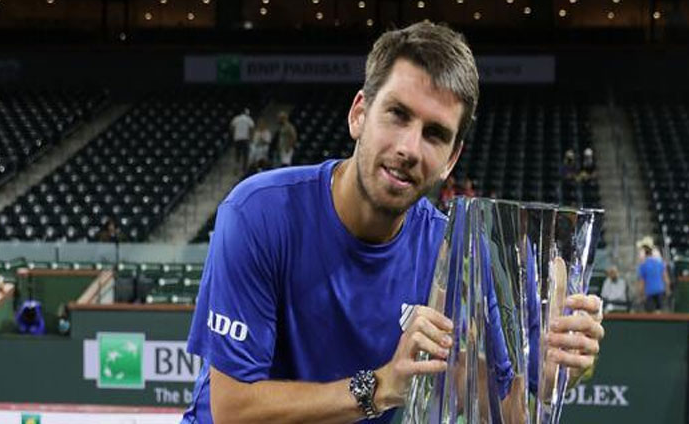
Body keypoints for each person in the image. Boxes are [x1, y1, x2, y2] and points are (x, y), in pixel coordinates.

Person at [182, 21, 604, 424]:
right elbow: (233, 410)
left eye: (434, 134)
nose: (409, 148)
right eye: (397, 114)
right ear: (359, 114)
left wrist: (549, 378)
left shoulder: (452, 254)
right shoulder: (259, 212)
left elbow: (499, 412)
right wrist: (381, 387)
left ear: (451, 159)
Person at [637, 244, 669, 312]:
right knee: (660, 313)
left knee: (650, 315)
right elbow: (666, 279)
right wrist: (668, 291)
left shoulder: (643, 266)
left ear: (645, 254)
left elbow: (642, 283)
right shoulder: (660, 263)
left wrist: (640, 295)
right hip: (660, 291)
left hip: (649, 293)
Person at [230, 108, 255, 173]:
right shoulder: (248, 119)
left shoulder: (236, 118)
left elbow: (231, 127)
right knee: (245, 155)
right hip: (245, 139)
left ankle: (236, 168)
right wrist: (251, 137)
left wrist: (234, 135)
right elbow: (252, 128)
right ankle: (244, 169)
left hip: (237, 139)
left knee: (237, 155)